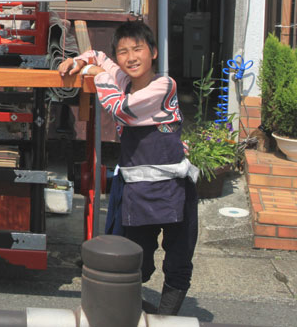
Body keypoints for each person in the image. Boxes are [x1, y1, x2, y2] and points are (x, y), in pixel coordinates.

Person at [58, 21, 198, 316]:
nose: (131, 57)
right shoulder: (121, 80)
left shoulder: (164, 85)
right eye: (123, 52)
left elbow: (124, 109)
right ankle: (141, 313)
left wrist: (99, 78)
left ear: (154, 53)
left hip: (174, 188)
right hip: (138, 189)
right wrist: (78, 61)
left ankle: (166, 317)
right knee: (136, 260)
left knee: (178, 259)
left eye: (138, 49)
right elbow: (97, 55)